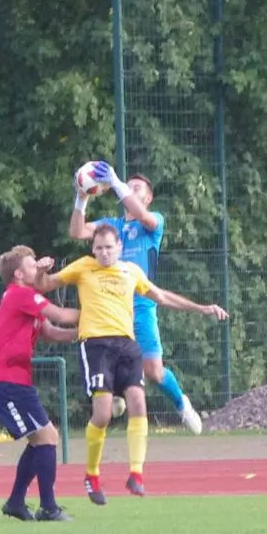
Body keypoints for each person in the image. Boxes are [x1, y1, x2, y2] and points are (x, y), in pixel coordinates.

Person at [43, 223, 229, 505]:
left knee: (139, 404)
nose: (104, 252)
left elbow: (161, 297)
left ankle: (136, 474)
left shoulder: (131, 271)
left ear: (119, 247)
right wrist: (40, 271)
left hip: (127, 344)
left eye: (109, 247)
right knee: (103, 414)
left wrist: (201, 308)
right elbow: (45, 284)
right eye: (99, 248)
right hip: (96, 345)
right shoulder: (83, 267)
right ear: (93, 249)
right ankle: (92, 475)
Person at [71, 162, 203, 433]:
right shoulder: (111, 226)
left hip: (142, 305)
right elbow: (77, 232)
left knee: (154, 370)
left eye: (136, 188)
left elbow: (143, 216)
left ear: (148, 197)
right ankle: (118, 393)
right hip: (112, 306)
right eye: (127, 186)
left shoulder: (154, 222)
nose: (130, 189)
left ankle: (182, 403)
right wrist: (81, 199)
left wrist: (116, 183)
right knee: (110, 361)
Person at [0, 246, 80, 521]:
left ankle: (16, 502)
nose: (37, 266)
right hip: (5, 381)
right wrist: (102, 313)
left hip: (14, 381)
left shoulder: (26, 297)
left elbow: (53, 332)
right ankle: (48, 508)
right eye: (31, 264)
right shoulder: (20, 295)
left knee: (41, 440)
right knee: (47, 437)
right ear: (18, 273)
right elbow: (61, 316)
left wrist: (86, 331)